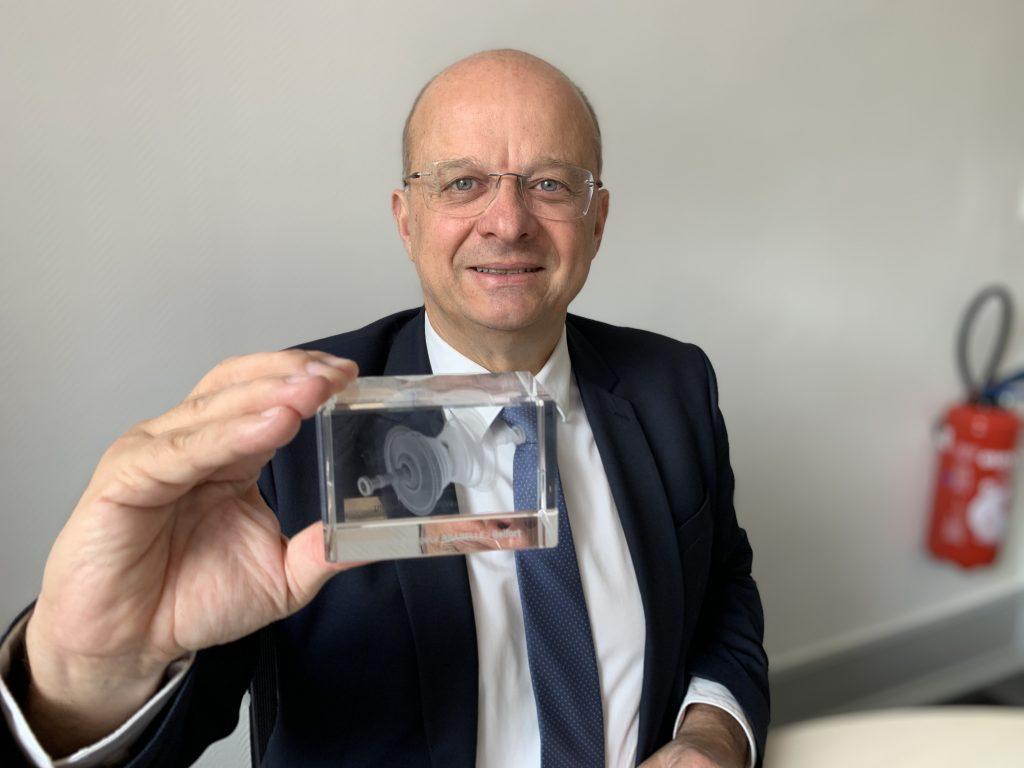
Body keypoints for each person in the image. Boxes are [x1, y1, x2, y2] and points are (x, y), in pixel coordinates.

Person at [0, 50, 769, 767]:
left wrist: (713, 732)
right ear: (407, 220)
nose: (507, 222)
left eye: (550, 183)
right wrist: (83, 677)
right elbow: (170, 710)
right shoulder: (289, 426)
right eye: (463, 183)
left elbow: (722, 590)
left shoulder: (672, 384)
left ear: (596, 221)